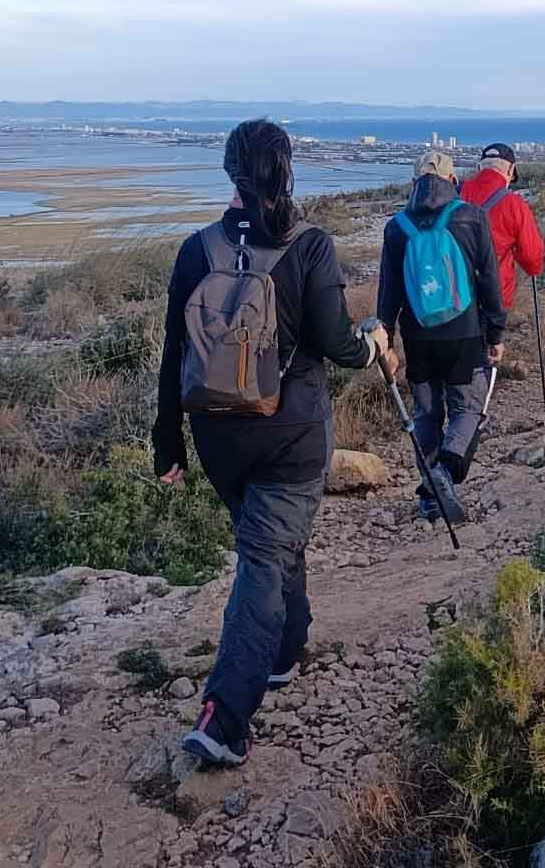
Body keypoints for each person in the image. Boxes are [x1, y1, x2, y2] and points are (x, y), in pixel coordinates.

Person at [153, 119, 395, 770]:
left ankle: (285, 653)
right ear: (287, 168)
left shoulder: (195, 249)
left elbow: (175, 353)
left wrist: (166, 441)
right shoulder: (309, 246)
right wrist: (374, 347)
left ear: (229, 170)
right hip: (291, 437)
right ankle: (223, 719)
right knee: (263, 562)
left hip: (217, 436)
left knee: (270, 545)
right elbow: (338, 347)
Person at [376, 150, 506, 526]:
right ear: (453, 181)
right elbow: (489, 281)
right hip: (465, 334)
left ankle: (429, 495)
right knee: (467, 409)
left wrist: (386, 339)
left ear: (414, 183)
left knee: (426, 414)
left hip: (418, 337)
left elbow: (389, 292)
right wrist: (496, 331)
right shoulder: (471, 216)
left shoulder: (397, 227)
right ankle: (445, 475)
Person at [457, 143, 545, 367]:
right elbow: (533, 260)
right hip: (492, 297)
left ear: (480, 167)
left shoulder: (457, 193)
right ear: (510, 170)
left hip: (449, 291)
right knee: (478, 369)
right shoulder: (514, 203)